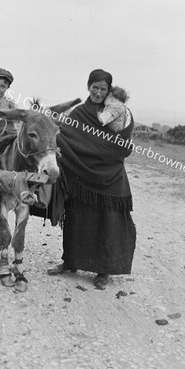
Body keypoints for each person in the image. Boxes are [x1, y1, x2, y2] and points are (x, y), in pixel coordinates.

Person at [48, 69, 136, 289]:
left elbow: (122, 147)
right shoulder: (79, 113)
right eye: (94, 87)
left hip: (111, 177)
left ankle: (103, 271)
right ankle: (70, 262)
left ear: (109, 91)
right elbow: (64, 137)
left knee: (109, 224)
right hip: (82, 179)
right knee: (77, 220)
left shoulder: (118, 112)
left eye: (103, 89)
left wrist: (105, 150)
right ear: (88, 87)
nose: (98, 93)